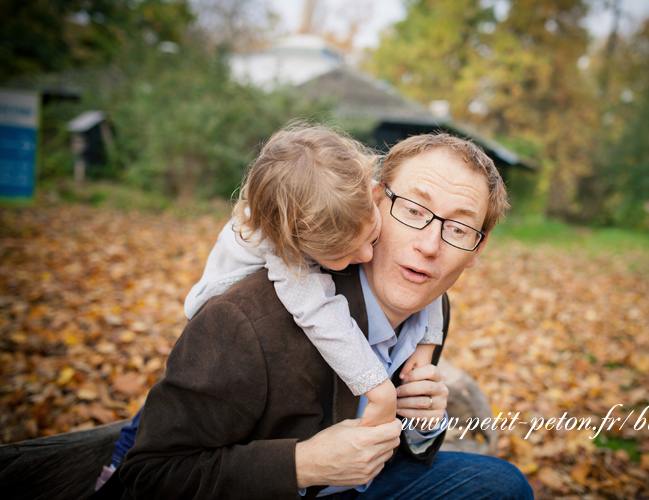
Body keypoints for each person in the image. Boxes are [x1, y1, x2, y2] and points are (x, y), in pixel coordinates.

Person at [117, 133, 533, 499]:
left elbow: (400, 450)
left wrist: (424, 423)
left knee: (504, 486)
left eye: (458, 229)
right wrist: (302, 464)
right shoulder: (244, 320)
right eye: (412, 210)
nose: (429, 246)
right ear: (374, 200)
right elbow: (148, 478)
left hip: (366, 487)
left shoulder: (432, 306)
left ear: (477, 249)